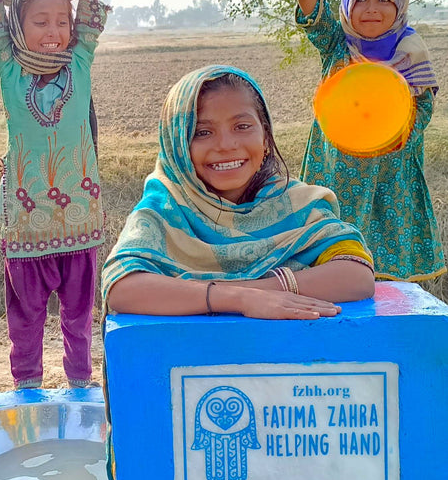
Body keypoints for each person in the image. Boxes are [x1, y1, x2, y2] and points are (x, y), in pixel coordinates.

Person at [103, 65, 375, 318]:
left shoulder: (298, 205)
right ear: (177, 146)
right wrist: (239, 299)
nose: (225, 144)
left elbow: (356, 274)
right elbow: (122, 287)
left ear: (266, 137)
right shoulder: (163, 211)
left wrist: (262, 291)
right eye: (202, 132)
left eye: (242, 127)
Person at [0, 0, 108, 389]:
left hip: (80, 217)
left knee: (79, 321)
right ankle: (25, 392)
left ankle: (79, 388)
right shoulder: (9, 67)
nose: (53, 30)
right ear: (19, 25)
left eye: (61, 20)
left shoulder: (81, 57)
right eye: (40, 21)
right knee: (24, 324)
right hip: (28, 223)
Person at [293, 0, 444, 281]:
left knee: (389, 297)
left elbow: (419, 118)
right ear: (346, 6)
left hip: (390, 191)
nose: (371, 9)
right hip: (333, 187)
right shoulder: (335, 45)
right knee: (326, 283)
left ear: (400, 7)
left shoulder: (412, 55)